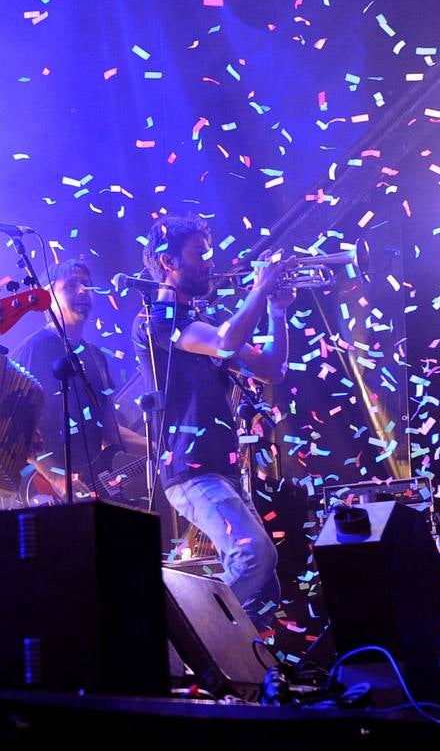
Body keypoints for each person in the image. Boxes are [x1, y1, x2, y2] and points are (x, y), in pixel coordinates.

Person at [130, 214, 295, 629]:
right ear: (169, 262)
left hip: (222, 469)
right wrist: (259, 288)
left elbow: (272, 369)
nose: (208, 260)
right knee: (253, 555)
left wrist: (276, 311)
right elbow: (224, 343)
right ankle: (183, 638)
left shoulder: (202, 321)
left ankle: (235, 667)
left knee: (266, 580)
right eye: (197, 253)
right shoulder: (158, 319)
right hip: (189, 469)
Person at [12, 259, 145, 503]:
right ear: (47, 297)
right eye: (71, 285)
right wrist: (57, 479)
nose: (83, 290)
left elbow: (110, 431)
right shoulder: (34, 350)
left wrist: (162, 449)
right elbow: (17, 427)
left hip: (92, 487)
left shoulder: (95, 356)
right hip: (46, 491)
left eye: (86, 284)